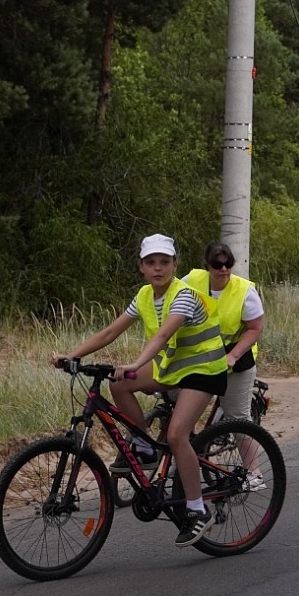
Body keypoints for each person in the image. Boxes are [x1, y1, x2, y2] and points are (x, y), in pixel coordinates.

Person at [51, 233, 229, 547]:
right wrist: (73, 356)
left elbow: (161, 337)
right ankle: (144, 445)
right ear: (141, 267)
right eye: (151, 263)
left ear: (175, 265)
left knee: (176, 436)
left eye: (164, 262)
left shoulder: (184, 295)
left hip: (204, 370)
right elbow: (110, 332)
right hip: (173, 368)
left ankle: (198, 509)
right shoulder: (145, 296)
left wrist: (134, 364)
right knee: (118, 384)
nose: (158, 268)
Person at [183, 242, 266, 483]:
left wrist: (233, 356)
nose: (224, 269)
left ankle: (254, 473)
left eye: (228, 264)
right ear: (206, 266)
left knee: (237, 418)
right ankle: (184, 452)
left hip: (235, 360)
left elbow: (256, 328)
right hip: (201, 356)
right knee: (174, 402)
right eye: (217, 265)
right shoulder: (191, 280)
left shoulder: (244, 291)